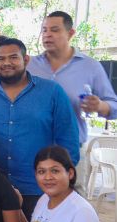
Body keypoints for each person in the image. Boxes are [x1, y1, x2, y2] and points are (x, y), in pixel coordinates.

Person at [0, 37, 80, 219]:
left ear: (25, 60)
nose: (6, 63)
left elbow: (69, 139)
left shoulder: (52, 92)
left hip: (39, 188)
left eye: (13, 57)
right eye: (1, 58)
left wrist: (61, 181)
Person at [28, 11, 117, 144]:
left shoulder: (91, 66)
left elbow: (114, 106)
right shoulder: (29, 65)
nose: (47, 34)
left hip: (70, 149)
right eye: (44, 30)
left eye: (54, 30)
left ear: (70, 33)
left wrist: (99, 106)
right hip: (31, 147)